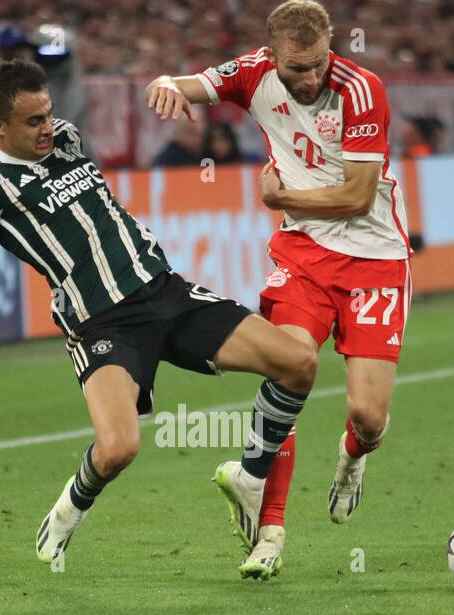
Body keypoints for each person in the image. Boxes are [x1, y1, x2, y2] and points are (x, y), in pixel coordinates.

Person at [0, 61, 317, 569]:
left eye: (48, 114)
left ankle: (250, 479)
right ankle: (70, 508)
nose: (47, 127)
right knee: (119, 447)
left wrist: (172, 90)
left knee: (297, 362)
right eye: (32, 121)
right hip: (102, 325)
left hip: (166, 294)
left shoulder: (66, 139)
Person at [144, 0, 410, 579]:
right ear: (274, 56)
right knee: (289, 368)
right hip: (305, 257)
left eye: (318, 64)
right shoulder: (252, 74)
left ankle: (352, 459)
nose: (310, 78)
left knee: (367, 415)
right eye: (297, 69)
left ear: (331, 46)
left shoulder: (362, 92)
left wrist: (280, 198)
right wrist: (166, 83)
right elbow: (190, 83)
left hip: (374, 261)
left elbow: (357, 196)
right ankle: (269, 531)